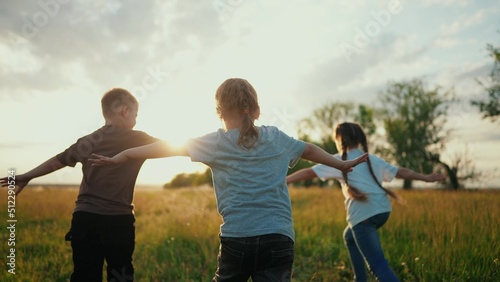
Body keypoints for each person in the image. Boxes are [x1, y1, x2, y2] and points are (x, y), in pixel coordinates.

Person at [89, 78, 369, 282]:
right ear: (256, 110)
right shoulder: (275, 137)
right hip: (278, 237)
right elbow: (308, 149)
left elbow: (165, 147)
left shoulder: (215, 143)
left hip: (237, 239)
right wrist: (341, 163)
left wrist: (123, 155)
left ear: (220, 112)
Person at [0, 88, 159, 281]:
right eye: (135, 114)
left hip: (84, 219)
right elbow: (173, 146)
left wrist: (27, 176)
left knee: (85, 274)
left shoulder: (89, 140)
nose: (135, 120)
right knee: (121, 274)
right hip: (117, 221)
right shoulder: (139, 139)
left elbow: (57, 161)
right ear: (125, 111)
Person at [286, 122, 445, 282]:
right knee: (349, 236)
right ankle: (360, 279)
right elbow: (401, 172)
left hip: (364, 216)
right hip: (382, 211)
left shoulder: (338, 160)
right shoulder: (371, 159)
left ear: (339, 139)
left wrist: (284, 180)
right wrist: (426, 178)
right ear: (360, 139)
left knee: (377, 265)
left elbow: (309, 172)